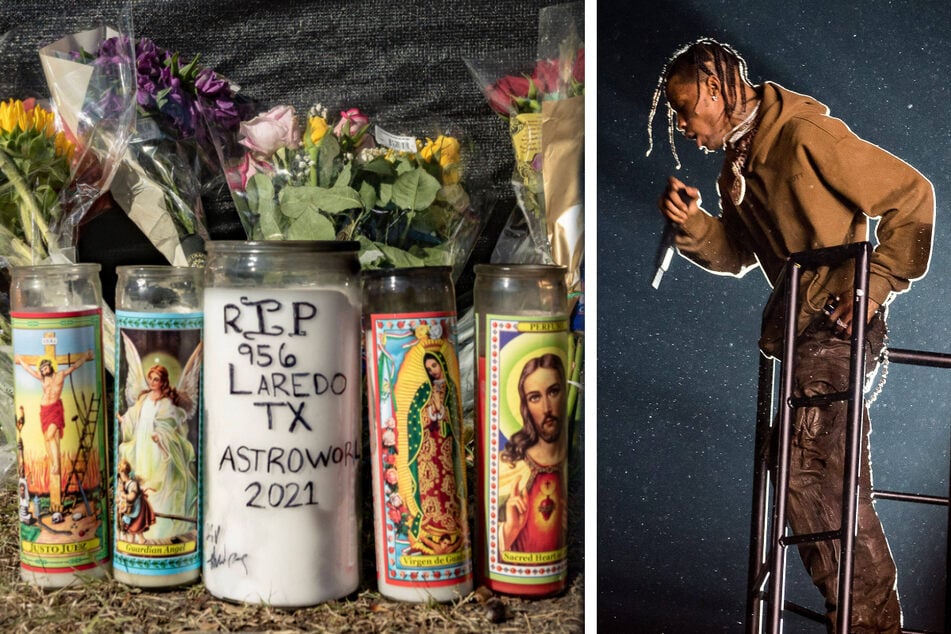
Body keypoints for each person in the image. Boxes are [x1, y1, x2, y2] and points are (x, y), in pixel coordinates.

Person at [647, 38, 935, 633]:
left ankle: (869, 625)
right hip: (802, 332)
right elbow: (737, 254)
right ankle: (859, 620)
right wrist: (694, 224)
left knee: (811, 472)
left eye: (684, 108)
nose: (681, 125)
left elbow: (913, 196)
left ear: (715, 89)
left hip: (837, 323)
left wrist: (873, 288)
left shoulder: (804, 136)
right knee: (811, 479)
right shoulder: (740, 162)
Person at [117, 364, 198, 540]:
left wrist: (160, 437)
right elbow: (133, 416)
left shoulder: (167, 402)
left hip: (158, 447)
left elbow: (172, 425)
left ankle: (160, 525)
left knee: (159, 480)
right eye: (150, 378)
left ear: (163, 382)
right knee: (142, 476)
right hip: (142, 444)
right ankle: (140, 521)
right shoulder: (144, 398)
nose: (152, 382)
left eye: (156, 379)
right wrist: (124, 420)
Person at [498, 353, 569, 555]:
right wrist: (510, 528)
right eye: (535, 397)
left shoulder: (569, 459)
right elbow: (487, 540)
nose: (546, 408)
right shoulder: (508, 467)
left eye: (553, 392)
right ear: (526, 407)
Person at [400, 349, 466, 556]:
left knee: (446, 485)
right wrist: (429, 413)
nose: (432, 371)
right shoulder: (423, 390)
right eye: (428, 369)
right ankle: (430, 526)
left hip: (445, 445)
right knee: (429, 486)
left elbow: (454, 418)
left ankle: (449, 525)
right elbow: (414, 416)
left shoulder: (450, 388)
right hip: (427, 448)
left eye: (434, 366)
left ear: (442, 365)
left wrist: (443, 415)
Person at [15, 350, 94, 523]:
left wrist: (85, 357)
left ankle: (56, 464)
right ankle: (54, 464)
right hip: (44, 411)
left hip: (55, 410)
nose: (43, 371)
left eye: (45, 367)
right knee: (47, 439)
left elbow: (73, 367)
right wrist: (21, 361)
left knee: (52, 434)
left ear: (50, 366)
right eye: (41, 369)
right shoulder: (42, 379)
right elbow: (29, 370)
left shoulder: (60, 375)